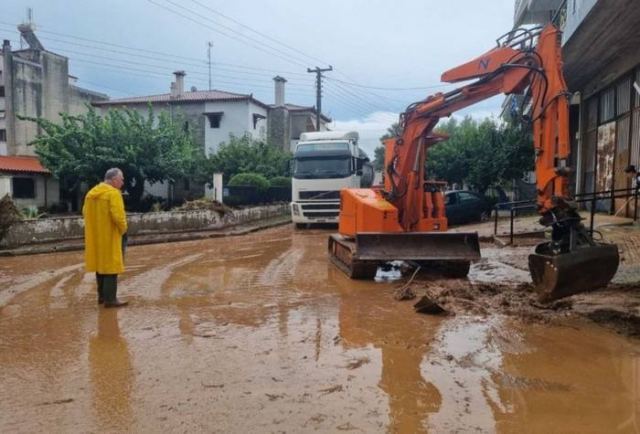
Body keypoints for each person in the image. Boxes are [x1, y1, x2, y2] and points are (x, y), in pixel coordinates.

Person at [83, 168, 129, 308]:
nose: (122, 182)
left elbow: (84, 212)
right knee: (111, 266)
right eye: (121, 179)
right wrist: (123, 229)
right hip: (110, 235)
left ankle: (102, 296)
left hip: (96, 236)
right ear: (114, 180)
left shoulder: (91, 194)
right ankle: (110, 299)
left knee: (100, 265)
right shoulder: (113, 194)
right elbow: (118, 217)